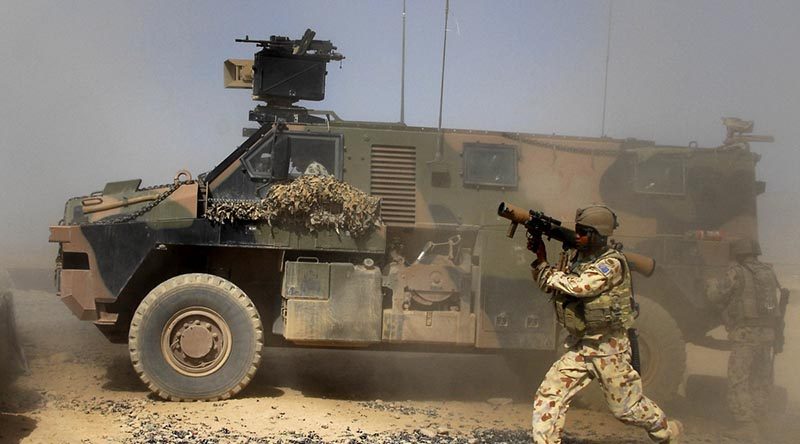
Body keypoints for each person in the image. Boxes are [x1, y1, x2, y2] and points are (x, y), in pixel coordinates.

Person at [528, 205, 682, 444]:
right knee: (550, 395)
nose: (577, 236)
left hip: (608, 349)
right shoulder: (577, 260)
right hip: (581, 346)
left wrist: (549, 273)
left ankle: (666, 430)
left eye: (583, 232)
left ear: (598, 235)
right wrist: (541, 259)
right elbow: (551, 286)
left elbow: (580, 287)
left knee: (626, 409)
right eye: (576, 231)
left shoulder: (611, 263)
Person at [705, 238, 784, 442]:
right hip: (767, 335)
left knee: (739, 380)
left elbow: (715, 296)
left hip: (746, 335)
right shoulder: (769, 273)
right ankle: (762, 421)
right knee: (761, 379)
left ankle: (747, 425)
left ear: (738, 254)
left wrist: (711, 284)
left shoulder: (736, 273)